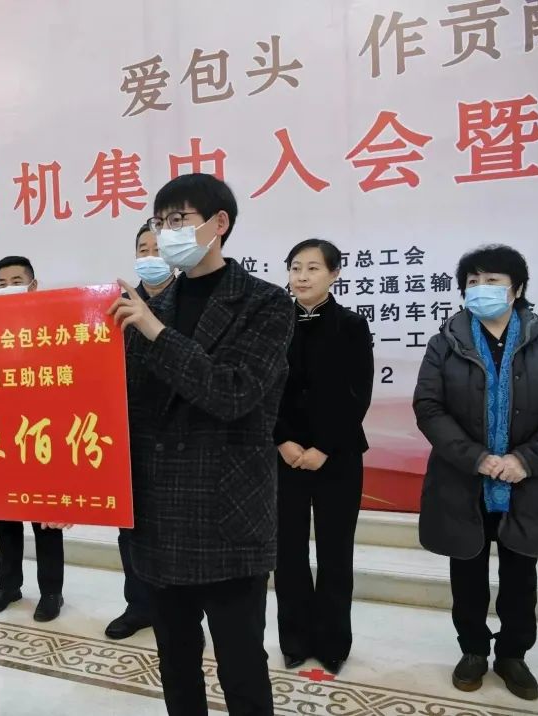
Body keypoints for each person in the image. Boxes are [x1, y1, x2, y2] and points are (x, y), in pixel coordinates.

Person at [109, 173, 294, 716]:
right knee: (176, 660)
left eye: (179, 220)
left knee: (241, 663)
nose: (166, 233)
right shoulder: (150, 308)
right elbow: (123, 410)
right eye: (160, 222)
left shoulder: (265, 304)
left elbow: (232, 393)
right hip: (158, 516)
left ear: (219, 224)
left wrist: (155, 333)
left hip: (228, 515)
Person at [414, 244, 538, 703]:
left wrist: (525, 460)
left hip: (527, 483)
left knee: (520, 576)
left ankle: (513, 655)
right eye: (472, 282)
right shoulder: (445, 342)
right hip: (463, 479)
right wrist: (475, 457)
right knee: (467, 573)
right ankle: (473, 650)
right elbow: (429, 407)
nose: (481, 289)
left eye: (492, 281)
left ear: (517, 288)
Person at [273, 239, 374, 675]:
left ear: (334, 274)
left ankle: (333, 643)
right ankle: (295, 640)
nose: (302, 276)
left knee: (335, 552)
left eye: (313, 268)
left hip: (339, 456)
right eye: (296, 267)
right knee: (288, 553)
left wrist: (325, 447)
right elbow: (263, 388)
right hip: (283, 455)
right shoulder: (273, 323)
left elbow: (358, 393)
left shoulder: (351, 325)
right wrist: (281, 439)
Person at [0, 255, 67, 623]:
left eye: (16, 281)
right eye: (1, 284)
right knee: (6, 517)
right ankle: (8, 585)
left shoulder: (53, 329)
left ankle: (51, 591)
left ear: (33, 286)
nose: (8, 288)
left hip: (42, 436)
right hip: (2, 438)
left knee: (46, 519)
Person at [104, 226, 171, 640]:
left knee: (174, 532)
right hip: (127, 437)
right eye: (142, 249)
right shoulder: (116, 305)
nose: (149, 256)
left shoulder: (188, 302)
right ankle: (138, 605)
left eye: (157, 249)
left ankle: (179, 614)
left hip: (177, 439)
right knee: (129, 530)